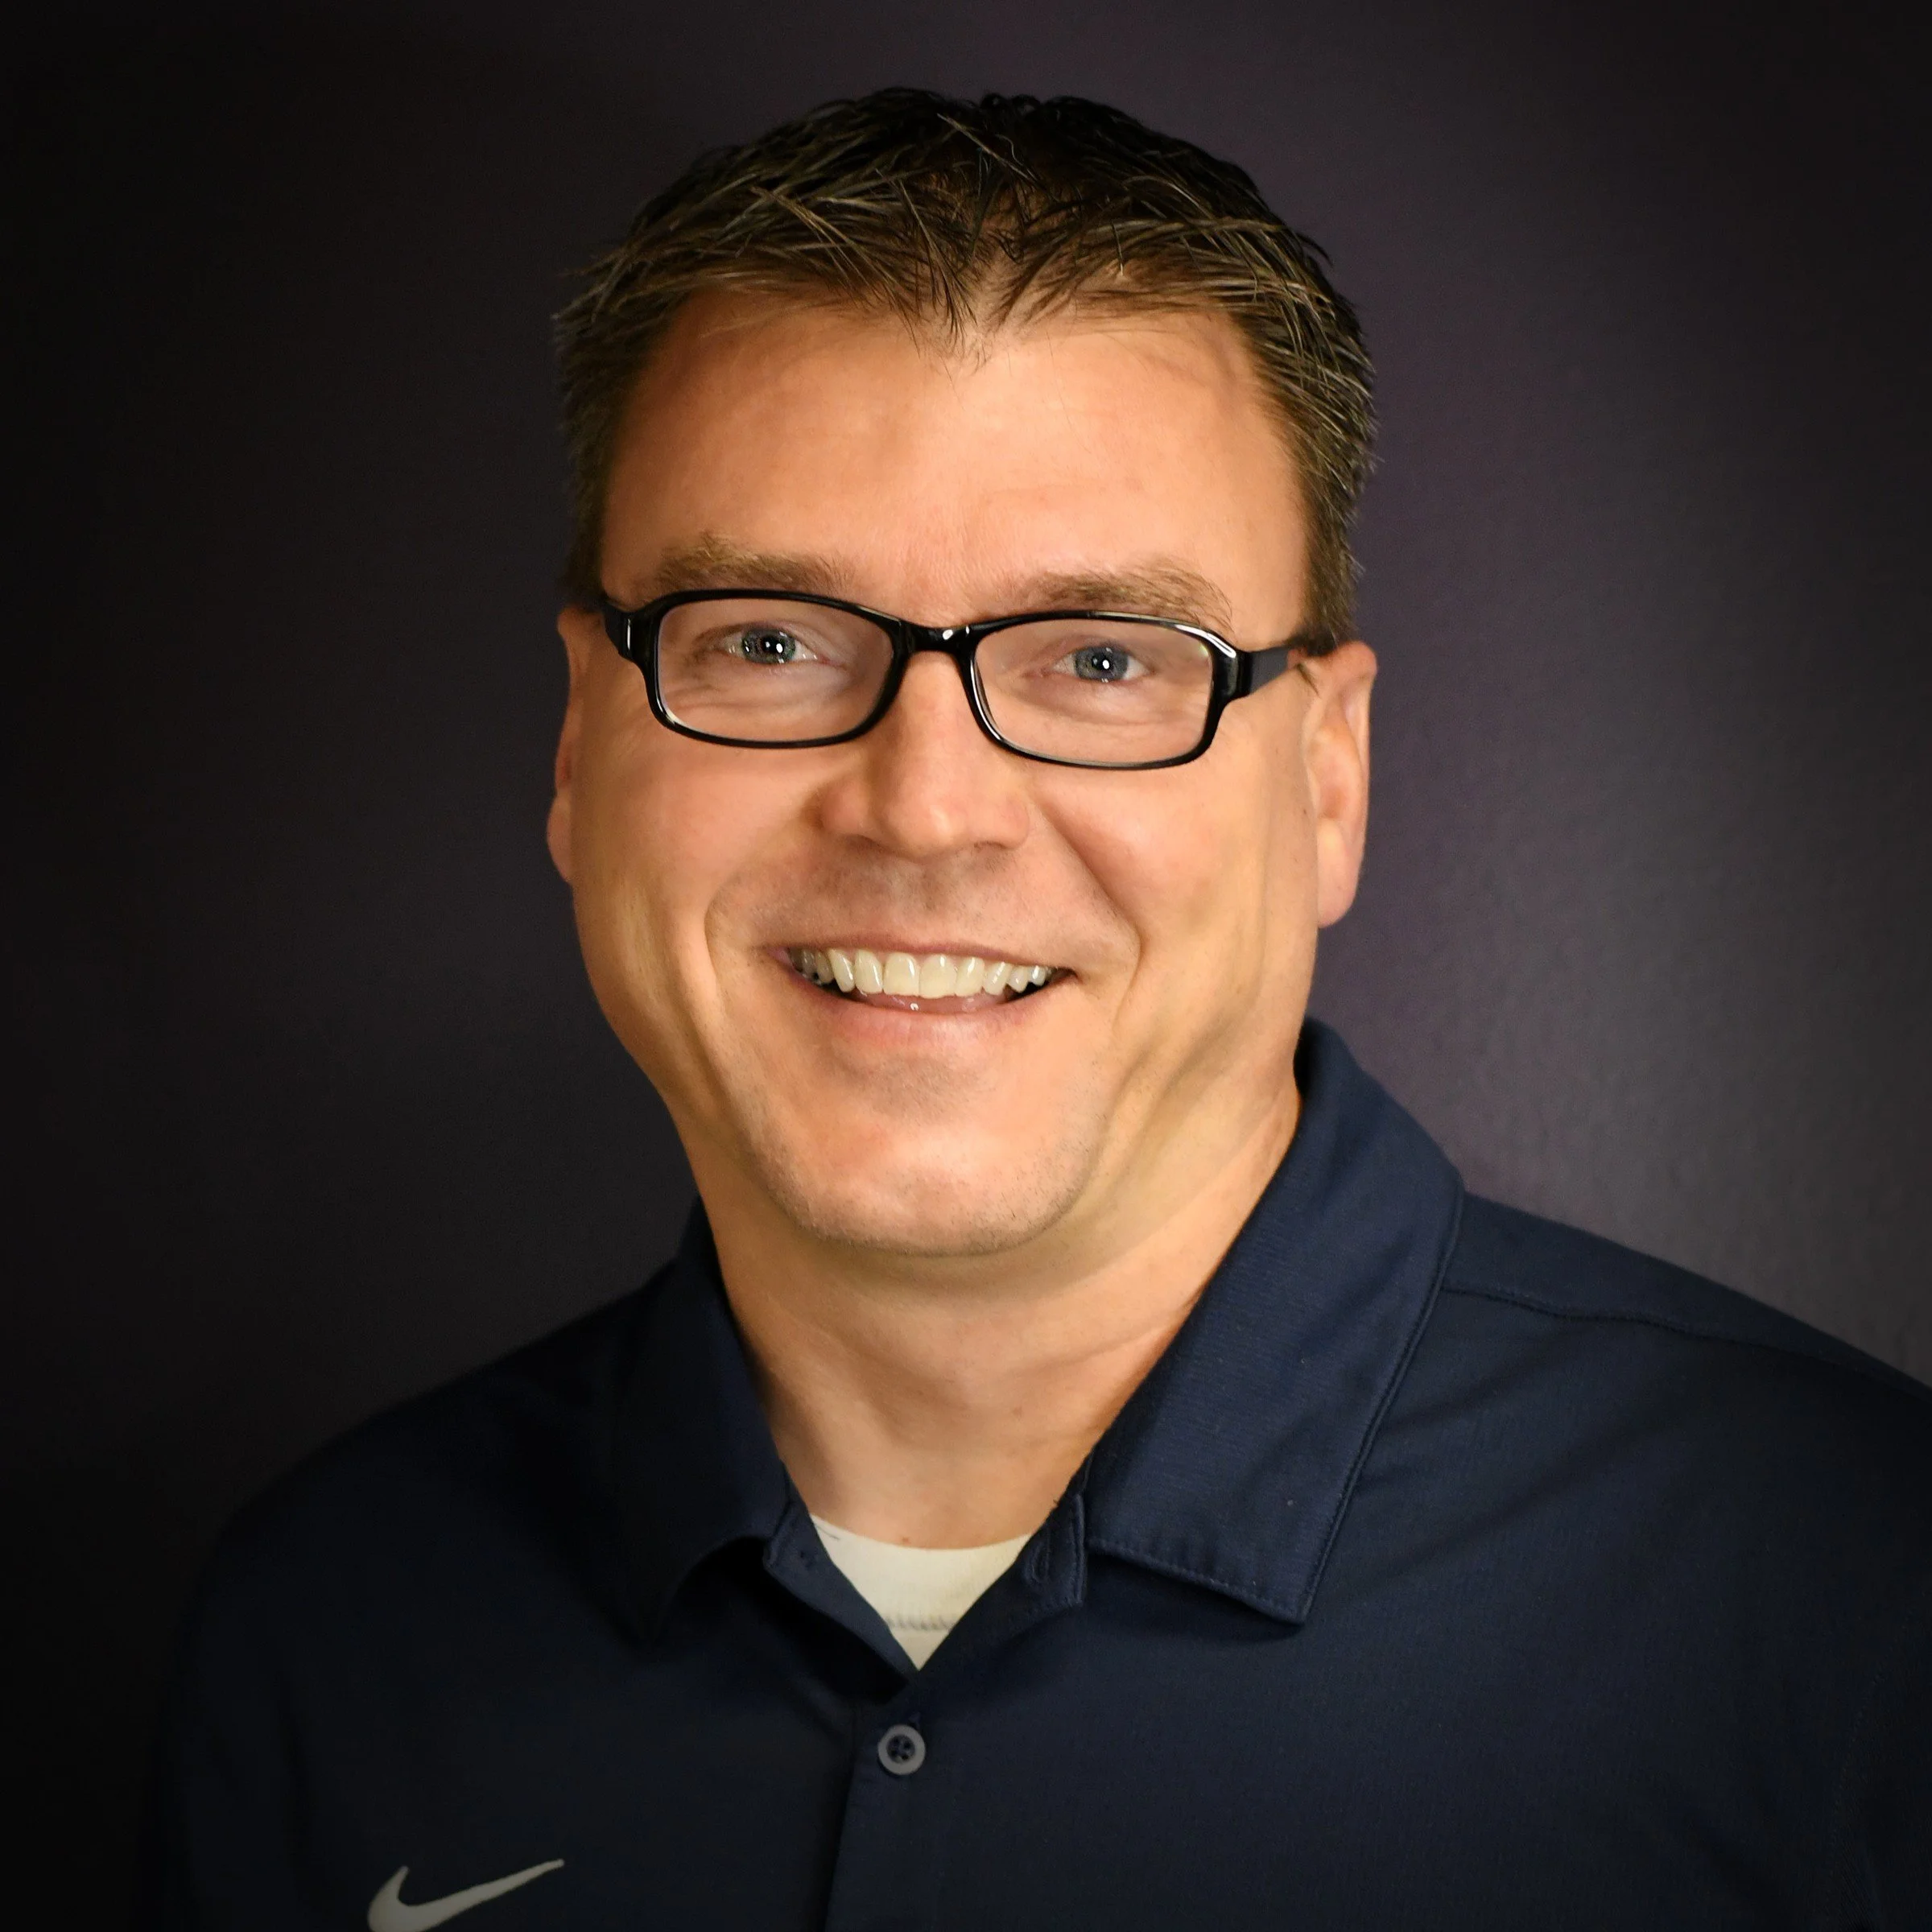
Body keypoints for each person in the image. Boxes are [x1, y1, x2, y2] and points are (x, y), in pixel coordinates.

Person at [145, 89, 1930, 1930]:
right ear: (581, 744)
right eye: (767, 638)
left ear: (1329, 779)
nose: (923, 807)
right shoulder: (323, 1636)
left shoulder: (1854, 1606)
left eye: (1100, 659)